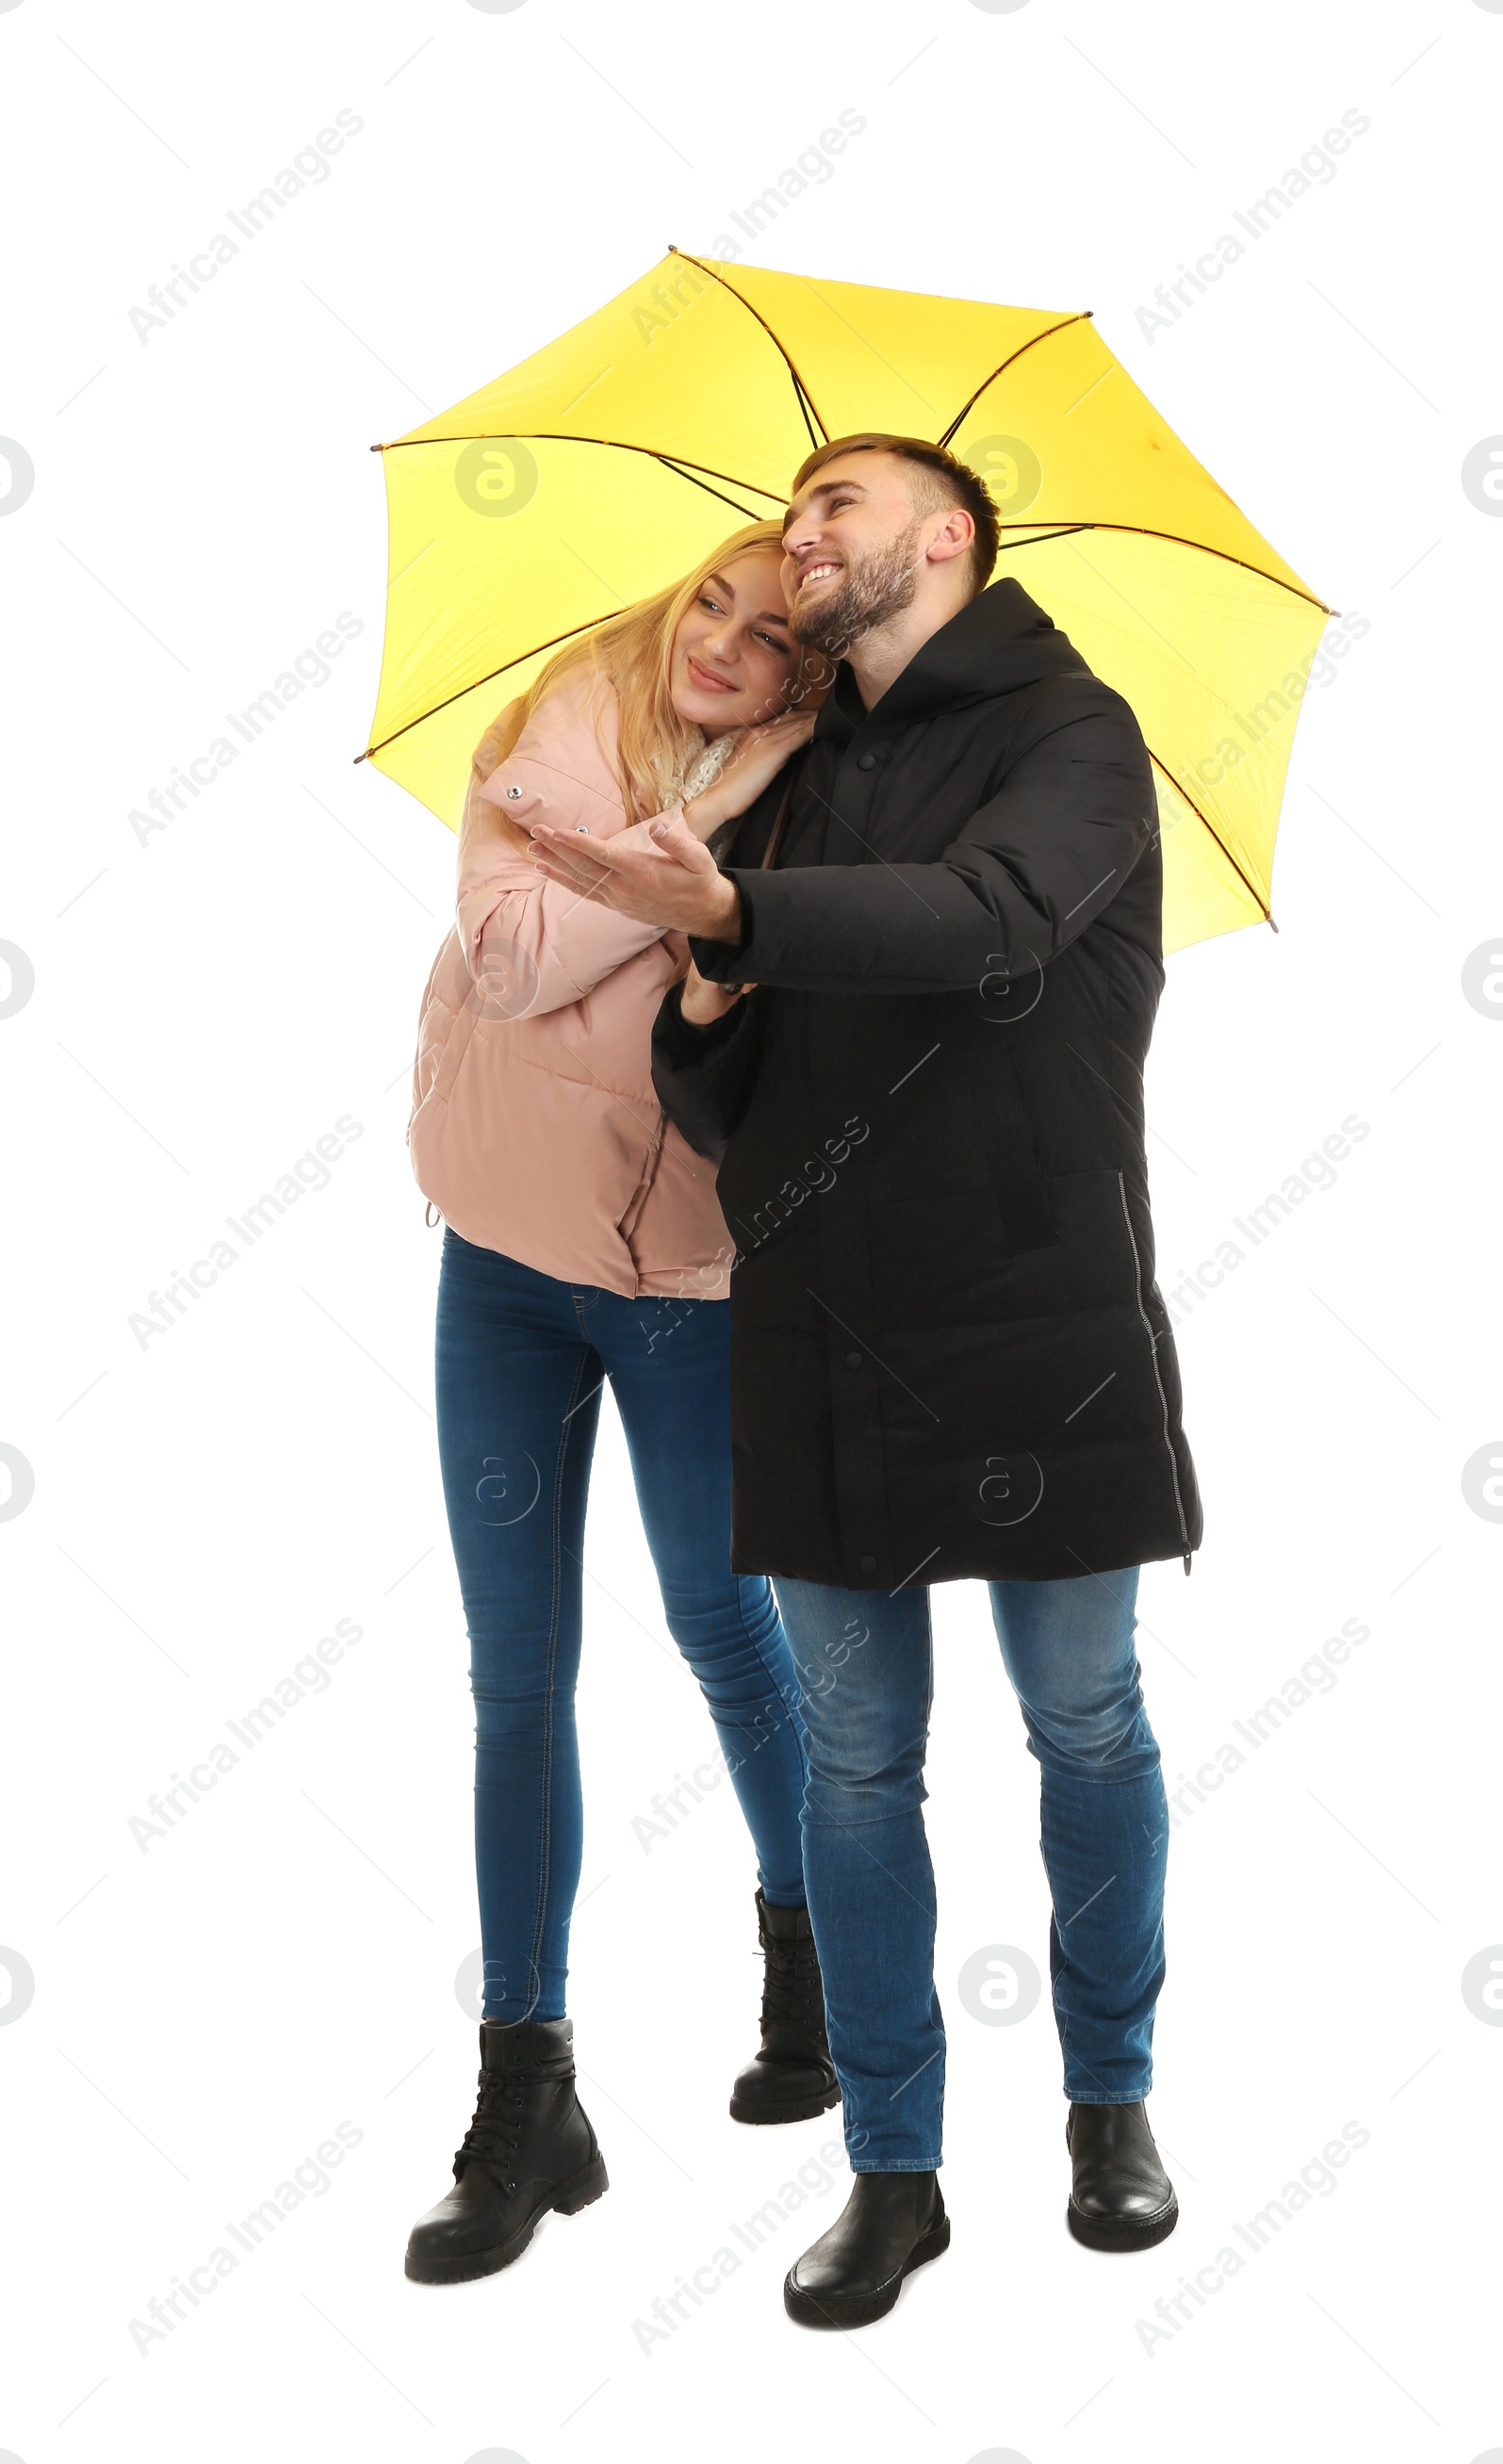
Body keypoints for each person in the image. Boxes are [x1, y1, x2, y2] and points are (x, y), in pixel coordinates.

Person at [528, 434, 1203, 2328]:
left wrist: (738, 924)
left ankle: (1107, 2107)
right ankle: (890, 2171)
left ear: (938, 539)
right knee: (851, 1762)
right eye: (794, 508)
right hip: (822, 1322)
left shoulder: (1072, 734)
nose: (797, 532)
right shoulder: (790, 783)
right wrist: (706, 996)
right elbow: (733, 1109)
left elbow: (988, 921)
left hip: (1037, 1311)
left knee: (1084, 1728)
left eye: (834, 505)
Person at [402, 521, 839, 2290]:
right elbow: (507, 960)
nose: (722, 644)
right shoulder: (577, 704)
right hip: (502, 1263)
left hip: (694, 1290)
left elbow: (808, 1045)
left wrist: (741, 893)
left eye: (775, 644)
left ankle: (805, 1960)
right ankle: (528, 2088)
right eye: (713, 601)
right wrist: (698, 867)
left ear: (816, 687)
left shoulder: (835, 801)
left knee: (724, 1633)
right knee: (518, 1680)